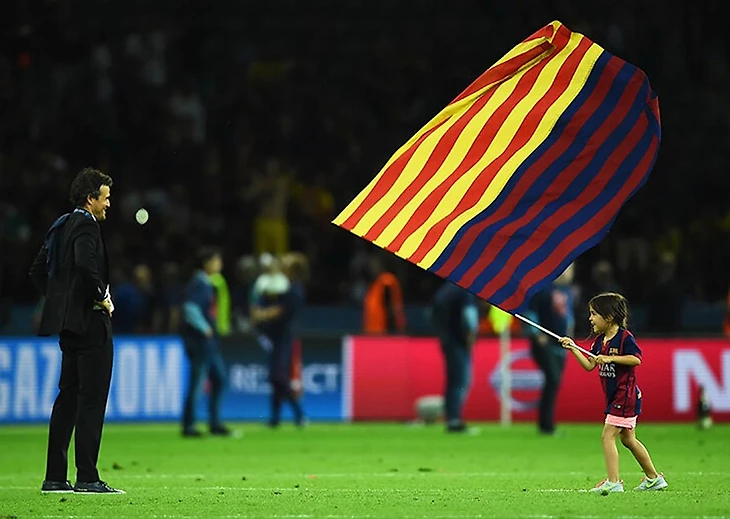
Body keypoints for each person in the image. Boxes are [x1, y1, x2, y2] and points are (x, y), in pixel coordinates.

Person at [29, 167, 124, 494]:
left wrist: (63, 303)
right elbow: (85, 263)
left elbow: (38, 270)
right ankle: (87, 477)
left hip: (69, 327)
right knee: (91, 401)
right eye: (105, 198)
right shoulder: (86, 225)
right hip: (91, 325)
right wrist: (101, 297)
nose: (108, 204)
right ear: (90, 198)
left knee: (67, 399)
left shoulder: (61, 224)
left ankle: (55, 477)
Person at [559, 292, 668, 493]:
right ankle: (653, 479)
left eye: (594, 314)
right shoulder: (600, 341)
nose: (590, 318)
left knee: (607, 436)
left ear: (608, 317)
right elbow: (590, 365)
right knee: (628, 439)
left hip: (624, 396)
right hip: (617, 397)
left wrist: (611, 359)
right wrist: (573, 348)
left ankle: (614, 481)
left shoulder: (625, 338)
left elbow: (636, 359)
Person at [251, 252, 308, 427]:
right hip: (272, 337)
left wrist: (263, 314)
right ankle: (275, 418)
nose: (282, 263)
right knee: (275, 378)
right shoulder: (277, 285)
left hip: (284, 338)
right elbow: (259, 303)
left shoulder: (295, 289)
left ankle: (298, 413)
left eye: (286, 262)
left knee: (278, 377)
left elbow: (280, 310)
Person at [180, 246, 231, 437]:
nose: (220, 265)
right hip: (200, 341)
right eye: (217, 261)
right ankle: (189, 425)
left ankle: (214, 422)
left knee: (219, 379)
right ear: (207, 263)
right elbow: (190, 308)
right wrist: (205, 327)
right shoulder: (199, 283)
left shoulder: (206, 283)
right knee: (197, 383)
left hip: (209, 343)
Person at [525, 264, 575, 435]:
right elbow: (529, 312)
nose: (570, 273)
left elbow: (568, 317)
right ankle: (546, 425)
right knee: (553, 379)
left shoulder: (567, 291)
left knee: (554, 382)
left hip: (561, 344)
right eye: (567, 268)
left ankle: (546, 424)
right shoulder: (542, 289)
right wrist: (536, 334)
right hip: (545, 343)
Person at [431, 281, 479, 433]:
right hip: (459, 341)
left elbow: (434, 314)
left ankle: (451, 417)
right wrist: (471, 335)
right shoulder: (464, 290)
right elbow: (469, 315)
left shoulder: (445, 290)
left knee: (452, 381)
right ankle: (455, 420)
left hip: (447, 340)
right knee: (461, 381)